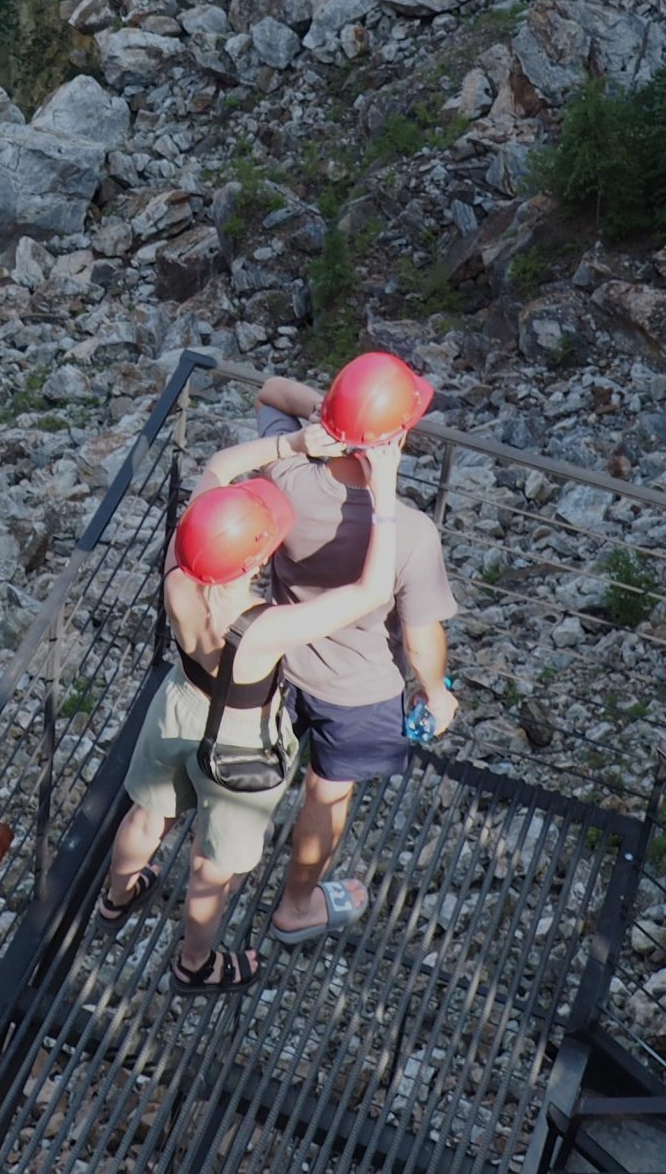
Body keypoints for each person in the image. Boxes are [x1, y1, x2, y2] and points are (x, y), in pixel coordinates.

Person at [98, 441, 406, 994]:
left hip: (176, 705)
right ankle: (195, 965)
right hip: (239, 742)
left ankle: (117, 897)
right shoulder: (264, 629)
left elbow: (216, 465)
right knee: (211, 870)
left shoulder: (179, 563)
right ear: (252, 564)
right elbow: (373, 589)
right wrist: (382, 489)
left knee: (146, 817)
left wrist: (293, 443)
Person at [203, 353, 457, 947]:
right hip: (359, 690)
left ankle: (214, 888)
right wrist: (438, 696)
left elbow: (269, 391)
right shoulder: (413, 534)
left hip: (277, 662)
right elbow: (421, 643)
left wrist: (325, 418)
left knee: (256, 776)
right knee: (328, 790)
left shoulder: (282, 478)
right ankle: (295, 907)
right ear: (397, 439)